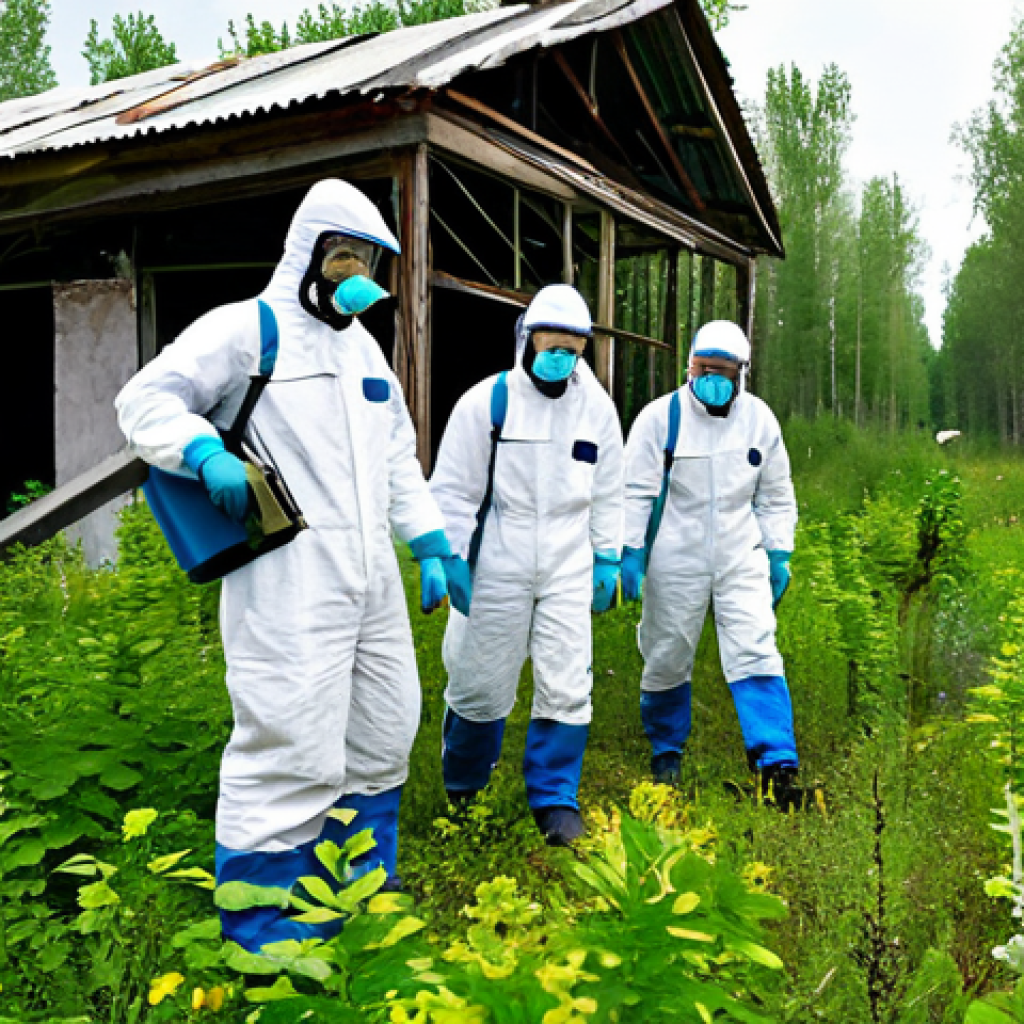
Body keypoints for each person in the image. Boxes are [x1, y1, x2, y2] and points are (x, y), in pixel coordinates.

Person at [115, 179, 469, 951]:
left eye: (372, 260)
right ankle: (264, 928)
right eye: (348, 257)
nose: (360, 273)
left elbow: (397, 455)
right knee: (288, 742)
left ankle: (361, 887)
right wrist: (203, 450)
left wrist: (431, 542)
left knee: (385, 727)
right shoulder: (247, 330)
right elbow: (144, 400)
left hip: (369, 575)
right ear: (312, 252)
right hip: (287, 576)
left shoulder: (363, 348)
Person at [429, 284, 624, 847]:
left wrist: (606, 556)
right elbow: (455, 491)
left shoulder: (597, 409)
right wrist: (450, 556)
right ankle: (464, 793)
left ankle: (555, 799)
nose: (560, 356)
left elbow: (608, 490)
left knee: (567, 681)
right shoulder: (487, 403)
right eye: (550, 344)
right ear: (526, 340)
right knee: (479, 681)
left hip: (567, 562)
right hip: (496, 562)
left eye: (572, 347)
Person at [620, 320, 799, 795]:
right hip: (675, 555)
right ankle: (666, 752)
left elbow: (776, 495)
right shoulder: (661, 418)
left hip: (741, 552)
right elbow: (635, 492)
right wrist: (630, 553)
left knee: (755, 647)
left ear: (742, 373)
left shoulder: (760, 420)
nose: (712, 379)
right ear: (689, 367)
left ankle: (775, 761)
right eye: (703, 369)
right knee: (667, 652)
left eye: (723, 371)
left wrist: (778, 552)